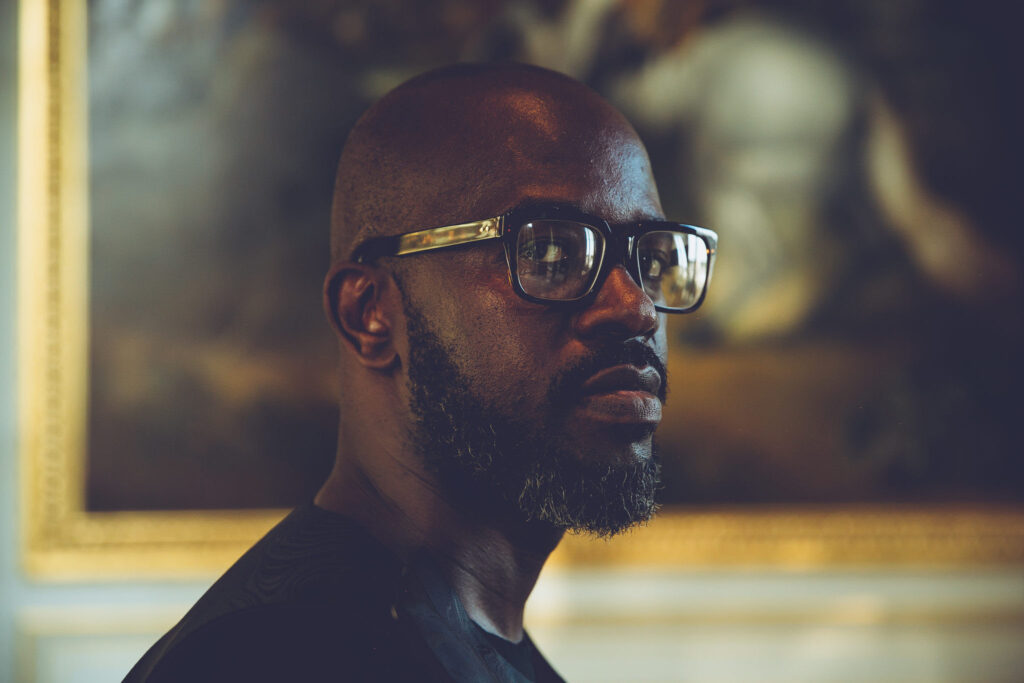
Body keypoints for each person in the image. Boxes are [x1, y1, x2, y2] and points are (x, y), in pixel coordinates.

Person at [125, 62, 717, 682]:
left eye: (652, 258)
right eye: (549, 251)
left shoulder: (462, 644)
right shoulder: (267, 660)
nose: (637, 308)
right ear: (369, 314)